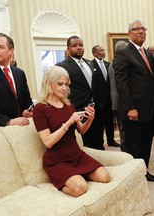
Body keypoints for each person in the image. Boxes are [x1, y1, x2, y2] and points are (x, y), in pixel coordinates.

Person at [32, 66, 110, 197]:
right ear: (49, 83)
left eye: (66, 84)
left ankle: (75, 176)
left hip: (76, 154)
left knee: (105, 177)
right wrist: (68, 123)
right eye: (60, 84)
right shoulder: (40, 109)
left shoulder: (69, 105)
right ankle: (66, 183)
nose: (64, 88)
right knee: (80, 188)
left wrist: (90, 119)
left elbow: (81, 131)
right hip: (57, 160)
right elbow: (48, 142)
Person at [113, 19, 154, 182]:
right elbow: (122, 84)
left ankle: (143, 171)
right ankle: (132, 177)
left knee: (146, 143)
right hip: (134, 110)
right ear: (129, 33)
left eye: (143, 29)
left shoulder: (146, 52)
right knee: (133, 145)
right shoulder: (123, 52)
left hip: (148, 108)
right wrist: (130, 108)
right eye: (136, 29)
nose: (141, 31)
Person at [56, 36, 104, 150]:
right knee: (85, 146)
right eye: (74, 46)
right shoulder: (62, 66)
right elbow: (63, 91)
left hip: (95, 110)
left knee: (98, 143)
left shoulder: (90, 63)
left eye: (81, 45)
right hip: (78, 111)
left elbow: (94, 87)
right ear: (68, 49)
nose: (79, 48)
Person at [91, 45, 120, 147]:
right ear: (94, 53)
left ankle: (111, 141)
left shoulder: (108, 64)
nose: (103, 52)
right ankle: (100, 143)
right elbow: (93, 86)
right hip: (98, 100)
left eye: (104, 50)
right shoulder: (91, 65)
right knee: (99, 123)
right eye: (101, 51)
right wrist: (96, 100)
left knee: (110, 122)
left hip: (109, 99)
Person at [108, 40, 127, 150]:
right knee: (124, 130)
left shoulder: (113, 61)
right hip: (120, 99)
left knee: (123, 129)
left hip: (117, 99)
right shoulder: (118, 62)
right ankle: (125, 151)